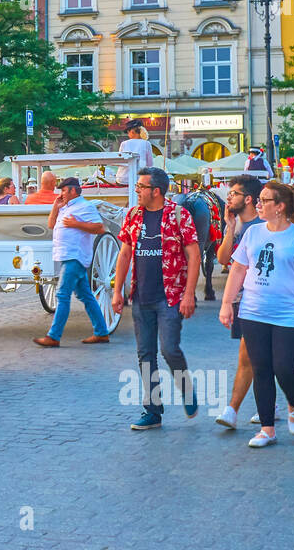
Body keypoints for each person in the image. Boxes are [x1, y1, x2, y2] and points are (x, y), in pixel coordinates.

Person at [219, 181, 294, 448]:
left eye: (265, 200)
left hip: (290, 314)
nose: (259, 204)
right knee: (261, 369)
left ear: (280, 206)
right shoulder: (253, 234)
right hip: (253, 312)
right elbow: (238, 269)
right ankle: (267, 429)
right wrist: (227, 303)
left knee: (285, 368)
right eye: (260, 200)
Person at [112, 166, 202, 430]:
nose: (137, 190)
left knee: (169, 349)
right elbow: (125, 254)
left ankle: (186, 390)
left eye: (141, 186)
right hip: (141, 295)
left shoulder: (178, 215)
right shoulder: (133, 215)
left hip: (171, 295)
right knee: (145, 354)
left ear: (156, 191)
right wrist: (117, 291)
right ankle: (152, 411)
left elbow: (194, 256)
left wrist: (189, 294)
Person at [214, 174, 265, 430]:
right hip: (240, 298)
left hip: (260, 299)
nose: (228, 197)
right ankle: (270, 403)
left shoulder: (263, 225)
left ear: (247, 199)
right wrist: (229, 229)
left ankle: (231, 410)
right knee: (257, 356)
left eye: (233, 193)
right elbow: (223, 259)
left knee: (248, 355)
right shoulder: (234, 225)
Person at [32, 178, 109, 348]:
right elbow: (51, 224)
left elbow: (99, 228)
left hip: (75, 256)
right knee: (85, 296)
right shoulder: (66, 207)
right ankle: (102, 332)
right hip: (68, 256)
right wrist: (55, 207)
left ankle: (54, 336)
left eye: (64, 191)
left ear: (73, 191)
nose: (61, 194)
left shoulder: (85, 206)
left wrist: (76, 224)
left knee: (62, 294)